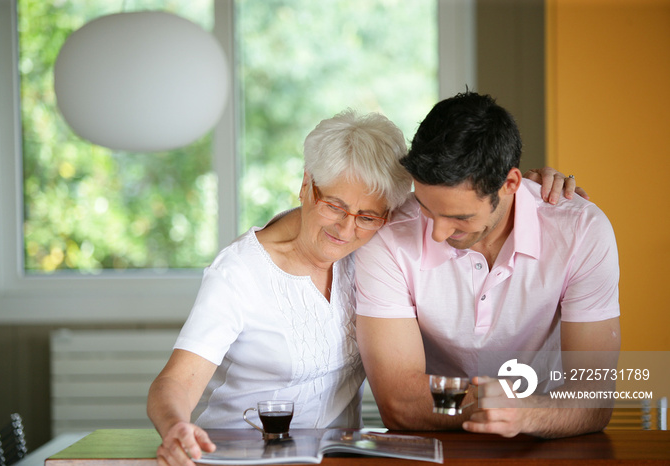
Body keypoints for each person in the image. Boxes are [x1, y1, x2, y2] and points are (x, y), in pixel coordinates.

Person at [147, 107, 583, 466]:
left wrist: (531, 188)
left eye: (368, 215)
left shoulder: (373, 251)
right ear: (306, 185)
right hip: (238, 456)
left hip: (334, 458)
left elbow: (468, 195)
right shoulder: (240, 272)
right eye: (333, 204)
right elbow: (176, 383)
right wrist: (176, 428)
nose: (346, 228)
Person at [354, 92, 620, 439]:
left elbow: (594, 399)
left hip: (547, 441)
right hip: (439, 446)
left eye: (459, 217)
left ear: (510, 184)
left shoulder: (582, 230)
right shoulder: (388, 237)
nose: (437, 233)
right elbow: (400, 402)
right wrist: (508, 406)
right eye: (425, 207)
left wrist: (528, 414)